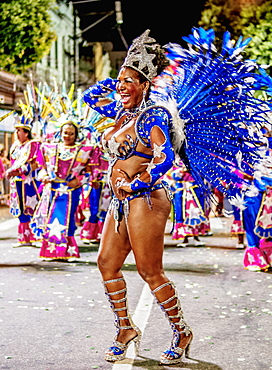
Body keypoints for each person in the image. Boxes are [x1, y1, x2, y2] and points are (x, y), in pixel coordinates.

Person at [83, 28, 272, 365]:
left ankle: (182, 332)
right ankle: (125, 328)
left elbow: (164, 157)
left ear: (145, 85)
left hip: (147, 199)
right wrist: (124, 75)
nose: (120, 86)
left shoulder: (152, 114)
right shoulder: (122, 114)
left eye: (129, 82)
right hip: (120, 201)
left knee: (149, 270)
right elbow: (89, 97)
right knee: (106, 264)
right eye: (119, 81)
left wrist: (138, 181)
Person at [31, 120, 101, 261]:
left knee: (69, 219)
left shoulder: (84, 151)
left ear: (76, 135)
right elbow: (41, 169)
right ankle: (51, 251)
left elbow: (90, 173)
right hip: (52, 189)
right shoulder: (49, 148)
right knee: (51, 218)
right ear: (60, 133)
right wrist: (44, 176)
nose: (67, 136)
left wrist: (78, 180)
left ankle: (69, 251)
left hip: (71, 190)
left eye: (71, 133)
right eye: (65, 133)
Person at [6, 117, 41, 247]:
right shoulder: (15, 146)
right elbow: (13, 163)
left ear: (26, 132)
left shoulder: (33, 144)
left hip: (29, 182)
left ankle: (36, 237)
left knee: (31, 207)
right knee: (20, 209)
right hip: (16, 183)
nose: (16, 133)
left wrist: (20, 171)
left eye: (19, 130)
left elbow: (36, 163)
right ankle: (24, 238)